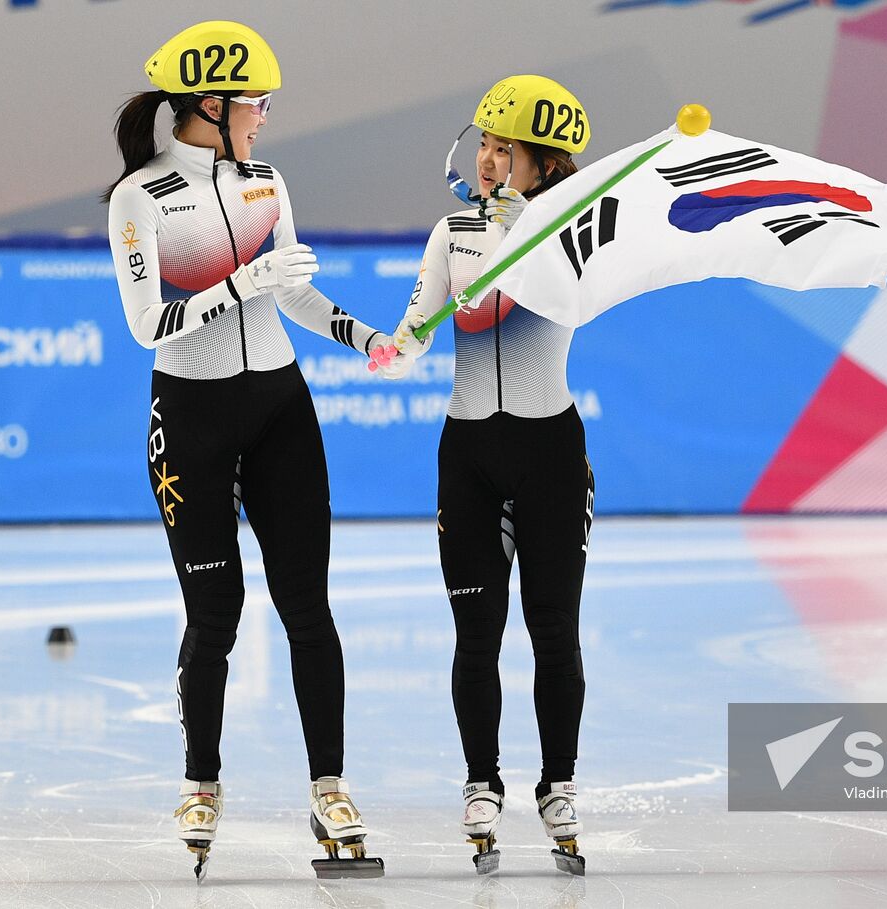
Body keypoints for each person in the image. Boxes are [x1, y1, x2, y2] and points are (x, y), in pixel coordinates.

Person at [103, 20, 395, 881]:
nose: (266, 118)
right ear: (213, 105)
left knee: (308, 605)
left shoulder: (268, 181)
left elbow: (293, 292)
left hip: (279, 407)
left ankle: (330, 784)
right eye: (257, 103)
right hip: (189, 414)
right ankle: (201, 781)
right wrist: (237, 283)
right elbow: (143, 323)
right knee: (215, 613)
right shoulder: (142, 198)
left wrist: (361, 333)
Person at [383, 74, 594, 876]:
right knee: (477, 634)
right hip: (468, 452)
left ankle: (559, 783)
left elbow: (597, 282)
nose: (489, 161)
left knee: (553, 629)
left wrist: (535, 233)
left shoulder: (575, 232)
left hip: (550, 454)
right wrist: (395, 350)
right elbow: (416, 325)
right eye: (484, 144)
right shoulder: (450, 231)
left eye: (508, 151)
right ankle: (482, 781)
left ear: (545, 166)